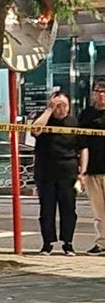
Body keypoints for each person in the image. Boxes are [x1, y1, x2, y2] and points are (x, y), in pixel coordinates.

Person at [31, 92, 87, 256]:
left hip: (68, 172)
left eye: (65, 106)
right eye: (58, 106)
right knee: (46, 210)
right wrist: (49, 110)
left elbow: (83, 148)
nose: (62, 109)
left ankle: (68, 243)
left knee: (69, 209)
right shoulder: (43, 119)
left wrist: (82, 172)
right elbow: (35, 131)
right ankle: (47, 243)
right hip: (45, 172)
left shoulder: (74, 123)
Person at [78, 79, 105, 255]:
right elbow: (82, 144)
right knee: (98, 211)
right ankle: (102, 243)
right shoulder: (86, 115)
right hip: (93, 169)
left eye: (104, 91)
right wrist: (82, 171)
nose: (102, 94)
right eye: (98, 91)